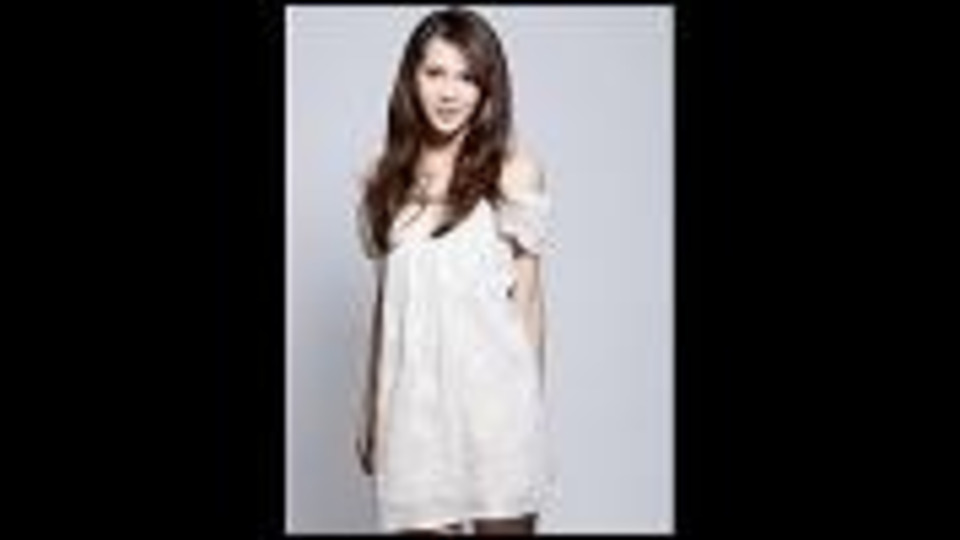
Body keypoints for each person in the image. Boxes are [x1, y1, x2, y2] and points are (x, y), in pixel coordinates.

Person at [354, 7, 552, 534]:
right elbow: (387, 306)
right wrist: (370, 410)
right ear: (411, 78)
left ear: (488, 88)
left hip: (497, 410)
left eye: (467, 77)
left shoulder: (513, 171)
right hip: (414, 413)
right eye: (435, 73)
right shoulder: (383, 179)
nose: (449, 92)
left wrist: (530, 410)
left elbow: (528, 301)